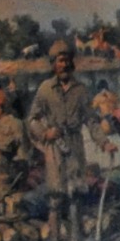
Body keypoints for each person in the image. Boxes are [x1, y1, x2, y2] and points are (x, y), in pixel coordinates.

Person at [25, 42, 94, 206]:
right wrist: (44, 133)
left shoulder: (81, 90)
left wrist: (104, 143)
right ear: (53, 64)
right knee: (55, 196)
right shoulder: (45, 89)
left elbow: (91, 120)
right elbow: (32, 119)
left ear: (72, 63)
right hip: (54, 147)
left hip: (75, 145)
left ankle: (77, 231)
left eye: (67, 60)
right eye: (60, 61)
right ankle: (56, 231)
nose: (64, 65)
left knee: (76, 194)